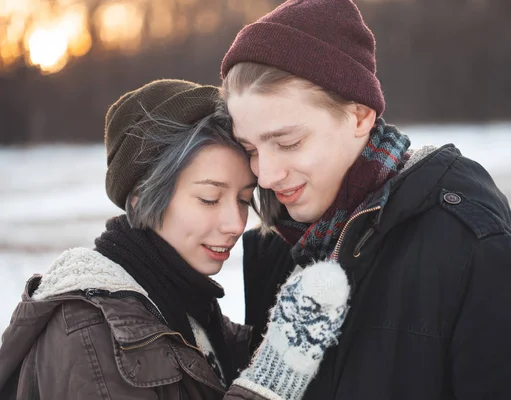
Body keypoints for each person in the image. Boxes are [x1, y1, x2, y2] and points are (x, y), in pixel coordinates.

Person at [219, 0, 511, 398]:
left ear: (359, 117)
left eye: (288, 142)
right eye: (250, 149)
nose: (266, 175)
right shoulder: (277, 252)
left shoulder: (469, 252)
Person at [0, 79, 350, 400]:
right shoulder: (92, 337)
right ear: (141, 196)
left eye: (243, 200)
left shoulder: (182, 309)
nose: (235, 223)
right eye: (209, 198)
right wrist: (270, 382)